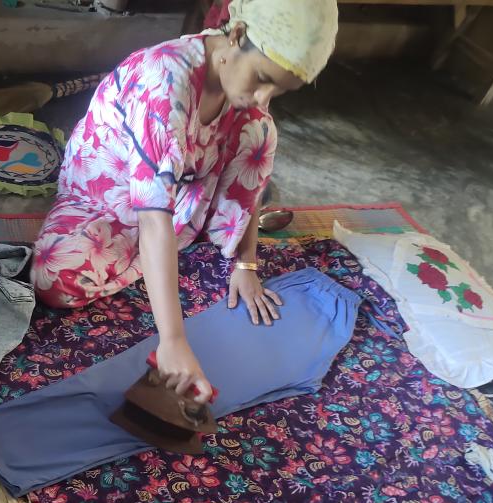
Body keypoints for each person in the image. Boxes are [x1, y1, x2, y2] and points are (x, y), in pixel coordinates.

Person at [30, 0, 339, 403]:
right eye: (262, 78)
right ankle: (165, 255)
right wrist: (173, 340)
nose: (263, 95)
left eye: (279, 88)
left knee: (261, 131)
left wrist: (246, 264)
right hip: (105, 200)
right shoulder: (164, 82)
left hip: (180, 195)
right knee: (54, 281)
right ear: (238, 34)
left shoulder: (245, 96)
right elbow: (154, 221)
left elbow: (248, 174)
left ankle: (172, 252)